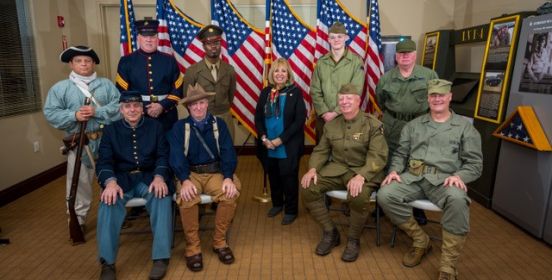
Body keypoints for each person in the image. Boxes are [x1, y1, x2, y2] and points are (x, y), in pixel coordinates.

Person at [377, 79, 483, 280]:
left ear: (450, 97)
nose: (437, 99)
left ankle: (448, 267)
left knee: (458, 201)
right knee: (385, 194)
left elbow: (475, 165)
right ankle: (420, 240)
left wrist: (459, 176)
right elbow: (400, 153)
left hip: (446, 180)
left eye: (441, 95)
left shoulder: (464, 128)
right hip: (414, 177)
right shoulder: (413, 126)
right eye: (433, 95)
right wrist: (394, 171)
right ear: (427, 98)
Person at [300, 83, 388, 262]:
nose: (345, 102)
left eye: (349, 98)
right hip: (337, 169)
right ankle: (330, 232)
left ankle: (353, 240)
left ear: (358, 101)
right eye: (341, 99)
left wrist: (361, 176)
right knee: (308, 187)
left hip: (364, 171)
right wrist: (312, 169)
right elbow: (321, 150)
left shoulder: (372, 124)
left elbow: (378, 155)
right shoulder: (332, 125)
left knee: (358, 195)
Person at [95, 91, 173, 280]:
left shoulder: (155, 127)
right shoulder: (110, 130)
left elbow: (163, 155)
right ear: (121, 110)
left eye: (136, 106)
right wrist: (110, 183)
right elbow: (104, 161)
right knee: (108, 203)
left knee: (161, 196)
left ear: (142, 109)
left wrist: (159, 177)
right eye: (127, 106)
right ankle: (107, 263)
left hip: (149, 177)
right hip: (122, 180)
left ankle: (161, 258)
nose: (132, 110)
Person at [43, 45, 120, 232]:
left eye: (87, 60)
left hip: (107, 142)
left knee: (111, 179)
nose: (83, 64)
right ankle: (79, 219)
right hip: (79, 143)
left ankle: (115, 214)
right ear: (71, 64)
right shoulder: (60, 89)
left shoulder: (107, 85)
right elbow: (51, 113)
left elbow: (120, 109)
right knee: (79, 185)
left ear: (93, 63)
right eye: (78, 61)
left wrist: (97, 111)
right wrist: (73, 116)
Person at [168, 84, 240, 272]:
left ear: (207, 103)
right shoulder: (179, 127)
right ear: (188, 108)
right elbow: (176, 156)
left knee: (230, 195)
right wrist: (184, 179)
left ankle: (220, 242)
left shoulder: (219, 125)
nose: (198, 108)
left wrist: (228, 177)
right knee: (187, 198)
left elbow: (228, 152)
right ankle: (193, 247)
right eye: (194, 105)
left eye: (201, 103)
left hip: (216, 172)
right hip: (190, 173)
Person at [376, 39, 438, 224]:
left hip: (419, 125)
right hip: (393, 124)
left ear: (414, 55)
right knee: (388, 162)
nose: (404, 57)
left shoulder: (428, 75)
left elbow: (435, 99)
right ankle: (383, 203)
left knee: (417, 163)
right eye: (401, 53)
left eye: (408, 53)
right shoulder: (387, 78)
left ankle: (417, 208)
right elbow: (381, 100)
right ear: (396, 56)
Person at [254, 58, 306, 225]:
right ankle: (277, 204)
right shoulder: (265, 92)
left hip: (287, 143)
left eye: (283, 71)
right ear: (272, 74)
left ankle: (291, 210)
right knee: (273, 175)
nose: (280, 74)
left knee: (288, 177)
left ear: (288, 74)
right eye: (277, 71)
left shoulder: (295, 92)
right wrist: (263, 138)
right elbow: (258, 118)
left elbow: (299, 121)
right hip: (267, 143)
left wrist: (279, 140)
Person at [115, 18, 183, 132]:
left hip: (167, 116)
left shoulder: (169, 60)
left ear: (157, 39)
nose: (149, 40)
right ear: (138, 38)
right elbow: (122, 91)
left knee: (167, 148)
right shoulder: (126, 61)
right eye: (145, 37)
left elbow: (178, 89)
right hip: (138, 116)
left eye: (152, 37)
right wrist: (143, 108)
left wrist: (162, 106)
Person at [310, 21, 365, 142]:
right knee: (323, 154)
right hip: (323, 119)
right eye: (332, 37)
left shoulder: (356, 62)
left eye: (340, 36)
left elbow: (356, 91)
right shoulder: (321, 62)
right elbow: (315, 90)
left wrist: (335, 113)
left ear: (346, 38)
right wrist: (324, 113)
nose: (336, 40)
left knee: (345, 155)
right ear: (328, 40)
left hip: (346, 117)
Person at [182, 24, 237, 139]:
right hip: (202, 118)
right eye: (209, 43)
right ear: (203, 46)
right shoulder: (192, 71)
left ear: (221, 44)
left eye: (216, 43)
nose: (213, 47)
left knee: (226, 152)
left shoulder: (229, 70)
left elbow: (230, 96)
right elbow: (187, 100)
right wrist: (199, 114)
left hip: (224, 117)